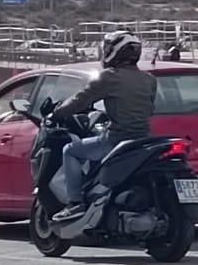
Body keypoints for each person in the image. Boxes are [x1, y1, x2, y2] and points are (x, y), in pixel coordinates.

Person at [50, 31, 157, 219]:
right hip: (144, 140)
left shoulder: (109, 77)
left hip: (117, 139)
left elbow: (79, 100)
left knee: (70, 150)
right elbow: (148, 109)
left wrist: (57, 113)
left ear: (113, 51)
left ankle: (75, 203)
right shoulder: (149, 79)